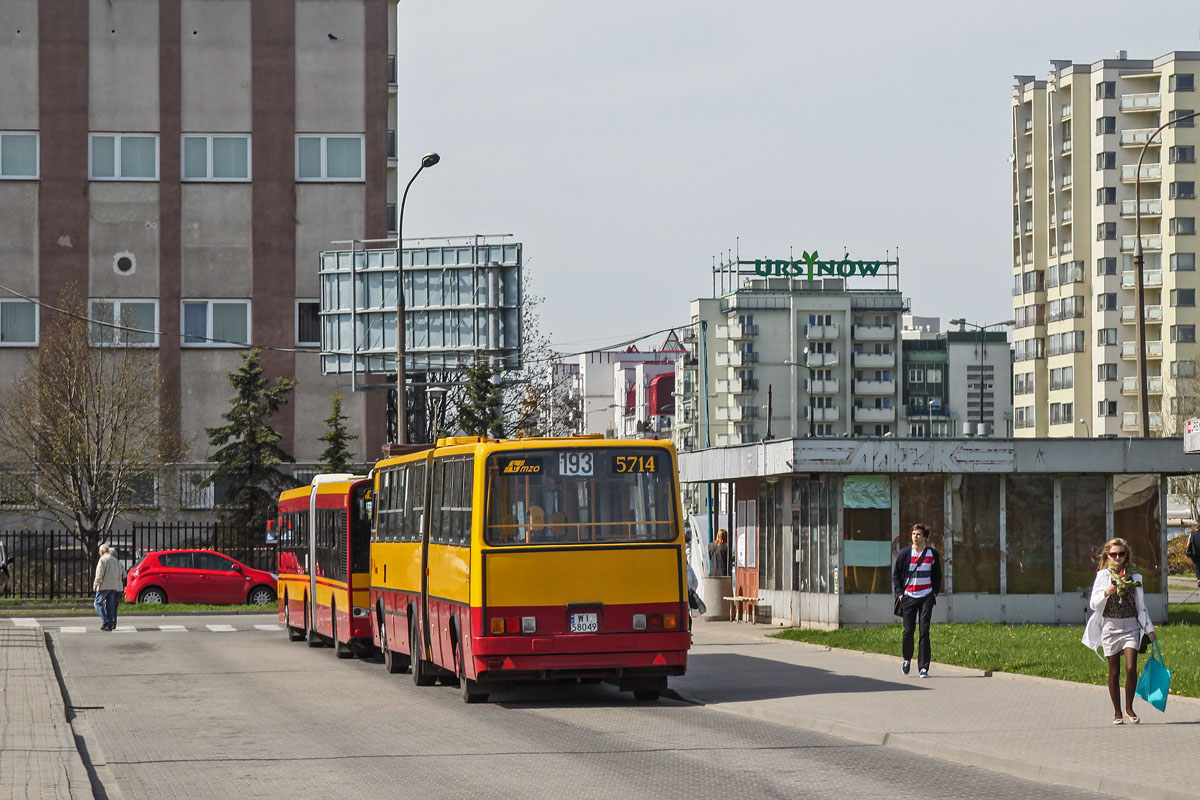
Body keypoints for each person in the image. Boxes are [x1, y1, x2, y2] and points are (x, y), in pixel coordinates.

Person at [1081, 537, 1156, 724]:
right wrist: (1106, 592)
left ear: (1126, 555)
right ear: (1108, 555)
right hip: (1110, 627)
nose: (1117, 557)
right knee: (1114, 671)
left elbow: (1141, 606)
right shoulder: (1103, 576)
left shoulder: (1135, 576)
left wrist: (1149, 628)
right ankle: (1117, 712)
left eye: (1121, 553)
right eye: (1113, 554)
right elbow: (1093, 603)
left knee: (1131, 667)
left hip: (1131, 626)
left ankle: (1129, 708)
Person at [892, 523, 942, 678]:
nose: (915, 537)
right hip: (909, 597)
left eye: (919, 534)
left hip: (926, 596)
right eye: (913, 534)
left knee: (924, 631)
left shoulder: (932, 554)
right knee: (908, 631)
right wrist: (900, 594)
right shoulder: (905, 554)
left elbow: (937, 575)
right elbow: (896, 575)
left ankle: (923, 668)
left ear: (925, 537)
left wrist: (934, 593)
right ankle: (907, 659)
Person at [93, 543, 126, 631]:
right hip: (114, 586)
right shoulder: (115, 560)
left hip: (104, 585)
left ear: (102, 551)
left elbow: (99, 573)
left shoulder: (103, 559)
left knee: (97, 603)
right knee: (110, 605)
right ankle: (110, 625)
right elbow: (121, 573)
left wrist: (96, 584)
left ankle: (105, 620)